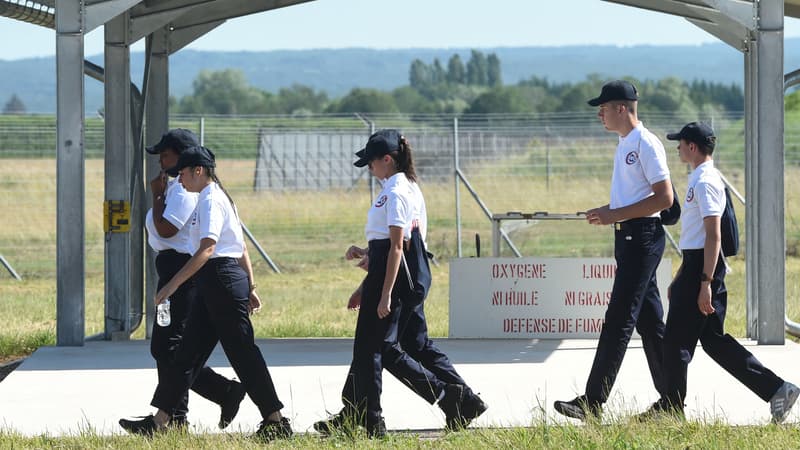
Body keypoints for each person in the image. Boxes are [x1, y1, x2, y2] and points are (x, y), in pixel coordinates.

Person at [314, 130, 486, 437]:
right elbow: (390, 244)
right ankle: (461, 400)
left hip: (397, 279)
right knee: (409, 345)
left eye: (372, 162)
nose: (369, 168)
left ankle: (446, 399)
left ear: (388, 160)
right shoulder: (400, 187)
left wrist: (384, 294)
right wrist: (367, 256)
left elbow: (398, 246)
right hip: (403, 275)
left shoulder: (395, 191)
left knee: (379, 348)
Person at [119, 146, 292, 441]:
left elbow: (209, 249)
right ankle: (160, 421)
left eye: (183, 173)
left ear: (198, 170)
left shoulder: (211, 199)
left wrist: (171, 286)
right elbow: (242, 246)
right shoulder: (212, 198)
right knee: (186, 354)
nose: (180, 180)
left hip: (220, 279)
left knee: (243, 353)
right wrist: (249, 286)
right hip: (214, 281)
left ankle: (275, 420)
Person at [635, 122, 799, 421]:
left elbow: (713, 236)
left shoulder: (705, 181)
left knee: (674, 342)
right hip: (698, 265)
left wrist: (704, 282)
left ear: (693, 147)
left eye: (680, 143)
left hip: (704, 269)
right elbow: (699, 237)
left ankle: (670, 409)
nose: (677, 147)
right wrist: (682, 274)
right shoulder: (702, 177)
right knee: (714, 342)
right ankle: (778, 390)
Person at [554, 80, 674, 420]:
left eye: (603, 109)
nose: (600, 115)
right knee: (650, 323)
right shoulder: (625, 144)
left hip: (643, 237)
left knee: (618, 319)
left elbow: (664, 198)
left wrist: (614, 214)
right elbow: (636, 196)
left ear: (622, 108)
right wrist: (609, 211)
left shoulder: (645, 144)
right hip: (630, 238)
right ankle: (672, 401)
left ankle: (593, 402)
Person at [122, 129, 245, 430]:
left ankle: (208, 399)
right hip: (174, 267)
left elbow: (167, 230)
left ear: (183, 156)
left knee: (169, 347)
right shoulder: (179, 186)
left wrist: (156, 195)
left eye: (165, 155)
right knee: (172, 347)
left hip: (181, 268)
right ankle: (178, 414)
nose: (161, 161)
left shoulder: (182, 189)